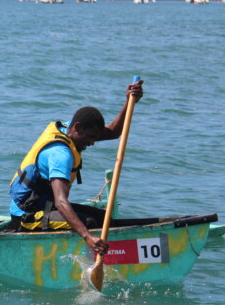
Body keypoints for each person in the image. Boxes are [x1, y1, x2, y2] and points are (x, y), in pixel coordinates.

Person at [9, 80, 144, 255]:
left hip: (46, 206)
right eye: (91, 137)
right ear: (78, 127)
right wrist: (88, 237)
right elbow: (61, 201)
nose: (93, 142)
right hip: (27, 216)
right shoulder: (61, 155)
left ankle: (117, 255)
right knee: (89, 225)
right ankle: (87, 260)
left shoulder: (68, 128)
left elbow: (113, 132)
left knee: (105, 220)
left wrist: (130, 101)